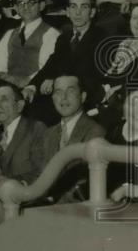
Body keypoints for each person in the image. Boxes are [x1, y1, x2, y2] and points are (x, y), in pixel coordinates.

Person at [42, 74, 106, 202]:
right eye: (58, 92)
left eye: (70, 91)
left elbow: (85, 183)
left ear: (82, 97)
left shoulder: (95, 132)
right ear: (53, 98)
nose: (63, 98)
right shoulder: (48, 134)